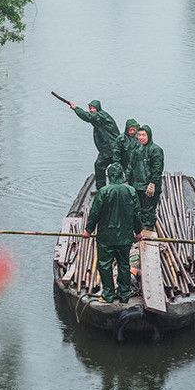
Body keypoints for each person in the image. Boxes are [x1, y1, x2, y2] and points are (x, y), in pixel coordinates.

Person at [83, 163, 141, 303]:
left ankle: (108, 295)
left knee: (105, 265)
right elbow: (137, 214)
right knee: (124, 264)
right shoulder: (131, 191)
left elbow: (94, 213)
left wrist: (88, 230)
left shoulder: (103, 191)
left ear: (109, 176)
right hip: (125, 237)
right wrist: (138, 232)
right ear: (122, 175)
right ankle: (124, 294)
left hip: (106, 237)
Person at [69, 99, 120, 189]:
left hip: (111, 148)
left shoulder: (100, 116)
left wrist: (76, 108)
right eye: (90, 108)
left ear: (98, 108)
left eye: (93, 108)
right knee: (108, 165)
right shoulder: (99, 117)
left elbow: (88, 117)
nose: (91, 110)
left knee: (100, 165)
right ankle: (106, 188)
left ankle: (104, 188)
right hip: (109, 148)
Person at [127, 124, 164, 235]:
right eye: (139, 135)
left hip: (149, 187)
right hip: (137, 185)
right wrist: (127, 180)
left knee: (148, 212)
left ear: (149, 136)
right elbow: (130, 166)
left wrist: (152, 183)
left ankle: (148, 232)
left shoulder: (155, 150)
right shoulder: (137, 149)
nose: (141, 137)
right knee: (137, 210)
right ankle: (137, 231)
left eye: (143, 135)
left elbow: (157, 169)